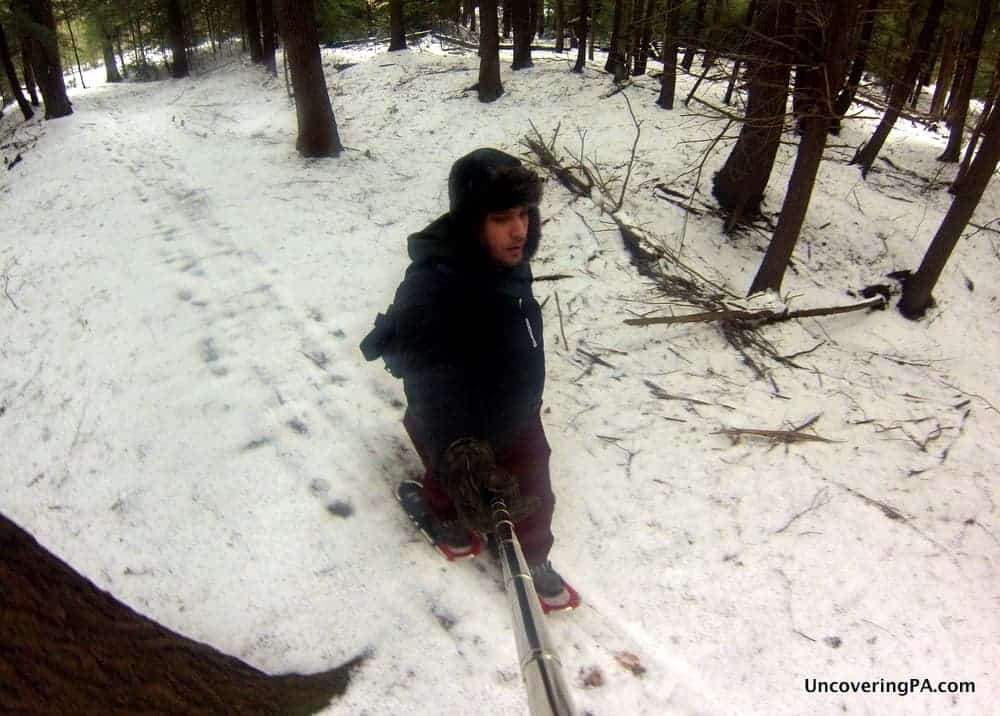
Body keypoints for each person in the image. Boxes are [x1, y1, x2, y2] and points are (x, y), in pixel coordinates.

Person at [361, 148, 571, 606]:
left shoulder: (508, 261)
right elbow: (424, 375)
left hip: (518, 408)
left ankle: (533, 556)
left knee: (535, 484)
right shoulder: (435, 282)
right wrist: (454, 442)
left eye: (523, 214)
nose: (519, 230)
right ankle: (445, 517)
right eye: (501, 218)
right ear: (472, 221)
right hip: (460, 419)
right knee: (451, 474)